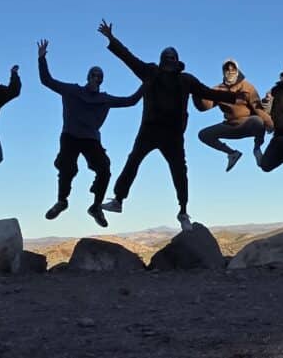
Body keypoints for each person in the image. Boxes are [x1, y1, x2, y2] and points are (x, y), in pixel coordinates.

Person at [97, 20, 243, 231]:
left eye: (172, 59)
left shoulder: (186, 80)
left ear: (177, 61)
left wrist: (233, 96)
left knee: (178, 171)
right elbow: (128, 58)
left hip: (172, 134)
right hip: (150, 130)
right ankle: (118, 200)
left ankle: (183, 212)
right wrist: (112, 39)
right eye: (167, 59)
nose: (169, 62)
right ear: (162, 60)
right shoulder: (151, 73)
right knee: (134, 161)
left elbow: (207, 93)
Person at [37, 39, 142, 228]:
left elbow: (131, 101)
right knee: (67, 168)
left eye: (99, 76)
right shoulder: (72, 91)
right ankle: (62, 201)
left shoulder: (104, 99)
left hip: (91, 139)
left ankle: (95, 207)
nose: (96, 78)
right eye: (93, 75)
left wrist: (148, 84)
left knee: (104, 169)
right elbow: (47, 80)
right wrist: (42, 58)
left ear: (102, 80)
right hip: (70, 136)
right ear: (88, 76)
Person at [194, 58, 273, 172]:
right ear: (223, 72)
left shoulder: (247, 87)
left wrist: (270, 123)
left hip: (247, 124)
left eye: (233, 69)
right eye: (227, 69)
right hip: (230, 126)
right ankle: (232, 154)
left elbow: (258, 108)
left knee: (258, 120)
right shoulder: (218, 89)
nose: (230, 71)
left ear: (237, 71)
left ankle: (257, 149)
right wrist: (196, 94)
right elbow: (204, 107)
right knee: (203, 134)